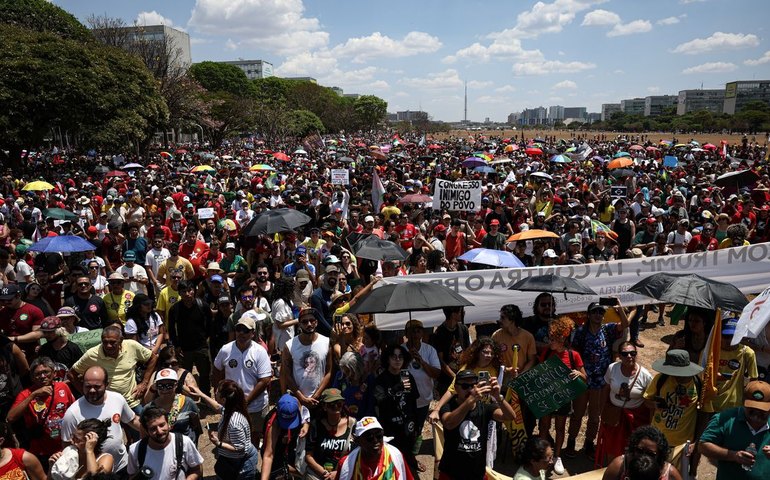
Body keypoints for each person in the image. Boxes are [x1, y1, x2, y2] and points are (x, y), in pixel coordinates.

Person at [568, 300, 629, 459]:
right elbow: (574, 353)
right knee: (577, 413)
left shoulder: (607, 329)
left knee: (595, 416)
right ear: (588, 315)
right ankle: (571, 442)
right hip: (583, 379)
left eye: (601, 312)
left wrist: (619, 307)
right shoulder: (581, 331)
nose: (598, 315)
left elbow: (625, 324)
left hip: (601, 381)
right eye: (595, 312)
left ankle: (589, 443)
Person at [61, 366, 141, 475]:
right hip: (93, 472)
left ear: (107, 384)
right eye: (88, 386)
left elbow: (133, 420)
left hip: (122, 466)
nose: (92, 390)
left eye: (97, 386)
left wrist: (151, 431)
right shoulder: (72, 414)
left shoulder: (117, 399)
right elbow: (67, 445)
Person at [438, 369, 515, 480]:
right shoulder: (448, 407)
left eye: (473, 385)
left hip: (477, 473)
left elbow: (510, 417)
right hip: (451, 473)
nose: (470, 389)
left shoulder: (485, 408)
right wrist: (470, 400)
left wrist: (498, 397)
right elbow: (449, 423)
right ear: (455, 388)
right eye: (465, 386)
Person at [213, 315, 273, 447]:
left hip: (256, 405)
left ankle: (250, 459)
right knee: (232, 433)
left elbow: (265, 380)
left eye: (245, 330)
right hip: (231, 403)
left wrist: (246, 401)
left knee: (254, 434)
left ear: (253, 333)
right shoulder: (226, 349)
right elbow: (217, 369)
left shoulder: (259, 351)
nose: (241, 333)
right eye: (238, 329)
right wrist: (218, 389)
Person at [538, 317, 587, 475]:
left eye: (553, 338)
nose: (549, 341)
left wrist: (578, 373)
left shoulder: (574, 355)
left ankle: (557, 456)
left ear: (562, 338)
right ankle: (543, 456)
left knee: (560, 428)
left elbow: (585, 377)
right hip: (547, 396)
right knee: (544, 427)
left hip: (564, 398)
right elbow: (538, 372)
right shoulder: (546, 352)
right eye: (550, 337)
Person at [68, 325, 157, 411]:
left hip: (131, 401)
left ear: (121, 340)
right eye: (105, 342)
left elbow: (153, 358)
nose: (108, 346)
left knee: (146, 423)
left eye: (112, 342)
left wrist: (144, 383)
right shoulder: (92, 354)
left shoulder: (132, 346)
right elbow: (71, 374)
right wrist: (87, 394)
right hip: (106, 405)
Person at [7, 356, 75, 466]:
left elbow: (74, 411)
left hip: (65, 446)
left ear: (54, 373)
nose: (42, 376)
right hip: (41, 451)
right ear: (32, 378)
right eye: (38, 374)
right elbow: (10, 418)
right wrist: (33, 395)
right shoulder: (26, 394)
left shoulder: (63, 387)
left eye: (46, 372)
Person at [596, 341, 654, 465]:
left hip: (635, 419)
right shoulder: (612, 368)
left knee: (633, 448)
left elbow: (650, 402)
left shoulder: (646, 376)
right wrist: (602, 410)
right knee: (612, 446)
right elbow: (606, 388)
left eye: (632, 353)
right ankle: (613, 470)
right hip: (614, 416)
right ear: (619, 356)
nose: (629, 356)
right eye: (625, 353)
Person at [699, 380, 770, 479]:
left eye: (762, 409)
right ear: (743, 402)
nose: (757, 412)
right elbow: (703, 445)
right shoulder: (724, 419)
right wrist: (733, 455)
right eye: (752, 408)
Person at [643, 349, 703, 450]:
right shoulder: (660, 379)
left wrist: (697, 441)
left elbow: (703, 413)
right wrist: (654, 404)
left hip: (682, 443)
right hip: (658, 437)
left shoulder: (698, 384)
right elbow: (646, 401)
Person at [373, 344, 419, 473]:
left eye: (400, 357)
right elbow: (380, 402)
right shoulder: (381, 380)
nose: (397, 360)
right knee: (392, 465)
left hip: (407, 427)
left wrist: (417, 425)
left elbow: (413, 401)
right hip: (389, 429)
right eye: (394, 357)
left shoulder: (408, 377)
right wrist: (396, 388)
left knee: (409, 463)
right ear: (388, 359)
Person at [127, 406, 204, 480]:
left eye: (162, 425)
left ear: (168, 424)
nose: (159, 431)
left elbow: (197, 469)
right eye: (153, 428)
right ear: (147, 431)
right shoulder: (135, 450)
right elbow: (132, 475)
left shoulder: (183, 442)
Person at [167, 280, 213, 396]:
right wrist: (176, 346)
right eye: (183, 291)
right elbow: (171, 329)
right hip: (184, 349)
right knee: (183, 375)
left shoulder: (203, 306)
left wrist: (205, 339)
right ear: (179, 293)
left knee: (204, 375)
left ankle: (205, 398)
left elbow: (209, 325)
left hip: (201, 347)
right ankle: (186, 399)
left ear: (194, 291)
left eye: (189, 290)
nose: (187, 294)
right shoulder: (175, 309)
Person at [281, 307, 333, 408]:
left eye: (312, 321)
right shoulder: (290, 345)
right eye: (305, 322)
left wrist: (317, 395)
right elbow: (287, 375)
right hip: (297, 400)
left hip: (320, 398)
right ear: (299, 324)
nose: (309, 324)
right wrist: (301, 398)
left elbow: (329, 372)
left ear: (316, 322)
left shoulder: (326, 342)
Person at [334, 416, 413, 480]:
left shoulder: (396, 456)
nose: (375, 441)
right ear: (358, 441)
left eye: (379, 436)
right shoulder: (346, 464)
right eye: (369, 438)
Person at [305, 388, 356, 480]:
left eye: (339, 404)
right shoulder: (316, 425)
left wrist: (338, 473)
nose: (336, 407)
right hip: (319, 475)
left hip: (345, 474)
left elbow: (357, 455)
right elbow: (308, 456)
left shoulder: (352, 424)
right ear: (324, 406)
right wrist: (325, 473)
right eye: (332, 405)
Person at [602, 425, 683, 480]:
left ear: (659, 455)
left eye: (650, 454)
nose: (644, 456)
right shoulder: (619, 466)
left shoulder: (670, 474)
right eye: (639, 451)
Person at [145, 368, 202, 445]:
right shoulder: (150, 408)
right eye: (161, 386)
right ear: (156, 387)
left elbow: (196, 426)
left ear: (176, 385)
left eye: (169, 386)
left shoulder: (188, 403)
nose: (165, 390)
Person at [260, 392, 309, 480]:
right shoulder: (273, 424)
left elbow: (305, 415)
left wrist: (305, 425)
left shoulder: (296, 403)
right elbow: (268, 455)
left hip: (291, 448)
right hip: (277, 451)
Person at [48, 418, 114, 480]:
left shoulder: (106, 459)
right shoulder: (71, 456)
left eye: (76, 439)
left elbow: (94, 477)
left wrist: (89, 451)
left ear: (91, 442)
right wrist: (53, 467)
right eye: (72, 436)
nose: (71, 440)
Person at [431, 306, 471, 395]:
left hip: (463, 377)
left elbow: (468, 351)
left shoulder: (463, 329)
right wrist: (454, 376)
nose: (464, 313)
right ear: (453, 314)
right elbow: (440, 360)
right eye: (461, 311)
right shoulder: (439, 333)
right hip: (446, 381)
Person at [36, 315, 83, 381]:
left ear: (59, 331)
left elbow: (81, 371)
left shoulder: (72, 348)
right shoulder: (44, 350)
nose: (46, 335)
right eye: (44, 332)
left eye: (50, 332)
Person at [332, 351, 376, 419]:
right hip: (344, 419)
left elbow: (371, 403)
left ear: (357, 369)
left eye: (348, 371)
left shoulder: (368, 379)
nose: (346, 374)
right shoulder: (340, 376)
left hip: (363, 419)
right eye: (344, 370)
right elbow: (334, 396)